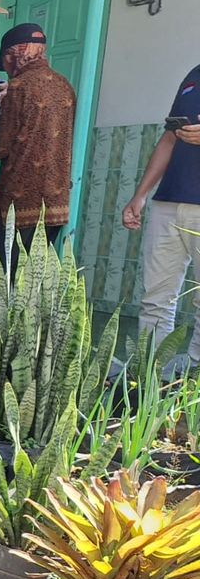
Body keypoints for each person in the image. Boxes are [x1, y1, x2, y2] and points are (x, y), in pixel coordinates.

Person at [122, 63, 200, 374]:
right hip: (168, 202)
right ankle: (150, 376)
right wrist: (140, 194)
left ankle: (194, 379)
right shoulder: (193, 75)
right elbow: (169, 139)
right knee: (156, 298)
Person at [0, 23, 76, 260]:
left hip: (17, 204)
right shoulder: (65, 87)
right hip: (56, 205)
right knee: (30, 276)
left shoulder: (18, 87)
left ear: (11, 56)